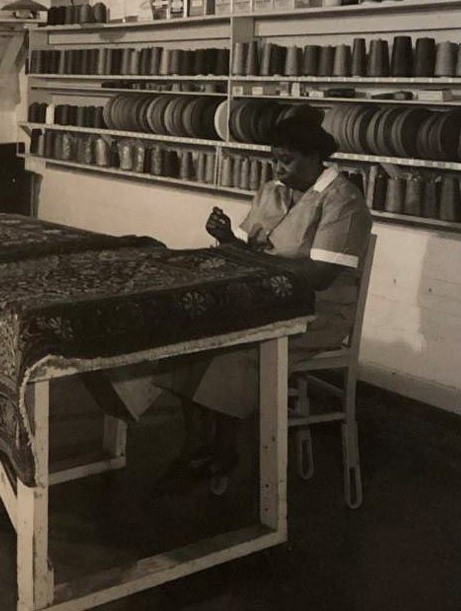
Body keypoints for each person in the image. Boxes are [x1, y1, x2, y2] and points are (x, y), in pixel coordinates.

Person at [158, 106, 373, 490]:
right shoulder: (273, 191)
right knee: (189, 334)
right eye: (274, 159)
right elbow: (247, 245)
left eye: (287, 161)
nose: (278, 168)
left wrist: (252, 260)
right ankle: (196, 443)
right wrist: (226, 237)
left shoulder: (344, 201)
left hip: (317, 313)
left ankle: (226, 452)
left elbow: (320, 277)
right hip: (263, 302)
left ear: (313, 157)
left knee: (236, 349)